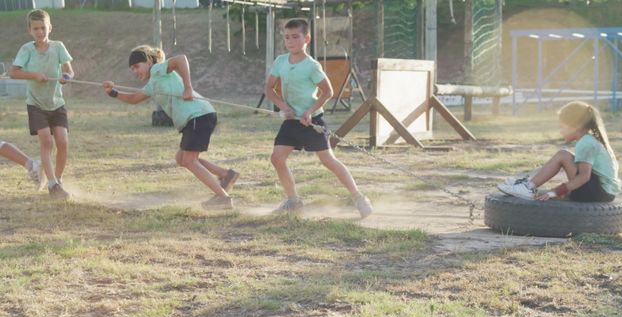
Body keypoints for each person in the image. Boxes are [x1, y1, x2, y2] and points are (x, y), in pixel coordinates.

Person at [102, 45, 239, 210]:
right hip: (193, 119)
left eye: (137, 66)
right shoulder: (152, 84)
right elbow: (134, 98)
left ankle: (223, 199)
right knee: (181, 158)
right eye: (132, 69)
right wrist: (113, 93)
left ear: (148, 60)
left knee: (189, 160)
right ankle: (226, 174)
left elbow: (181, 59)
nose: (135, 71)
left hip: (198, 115)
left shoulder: (159, 69)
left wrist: (188, 87)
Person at [263, 19, 373, 218]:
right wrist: (283, 107)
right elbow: (269, 89)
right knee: (277, 158)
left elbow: (328, 92)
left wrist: (310, 111)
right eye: (287, 37)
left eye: (295, 37)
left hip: (312, 121)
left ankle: (359, 198)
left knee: (328, 161)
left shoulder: (312, 66)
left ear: (306, 39)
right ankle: (293, 201)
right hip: (291, 121)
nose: (290, 41)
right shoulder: (280, 61)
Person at [498, 101, 621, 202]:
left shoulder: (586, 143)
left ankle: (528, 188)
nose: (560, 131)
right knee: (566, 156)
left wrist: (556, 192)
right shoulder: (590, 140)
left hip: (599, 194)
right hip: (603, 192)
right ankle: (528, 185)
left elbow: (584, 176)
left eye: (562, 127)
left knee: (563, 155)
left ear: (576, 126)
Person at [9, 9, 73, 199]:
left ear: (50, 28)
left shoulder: (58, 47)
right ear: (29, 30)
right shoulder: (26, 50)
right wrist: (34, 75)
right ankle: (52, 184)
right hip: (36, 104)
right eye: (36, 28)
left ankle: (58, 180)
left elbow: (69, 70)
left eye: (43, 27)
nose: (40, 32)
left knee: (62, 142)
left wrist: (66, 77)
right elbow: (14, 72)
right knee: (46, 142)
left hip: (56, 103)